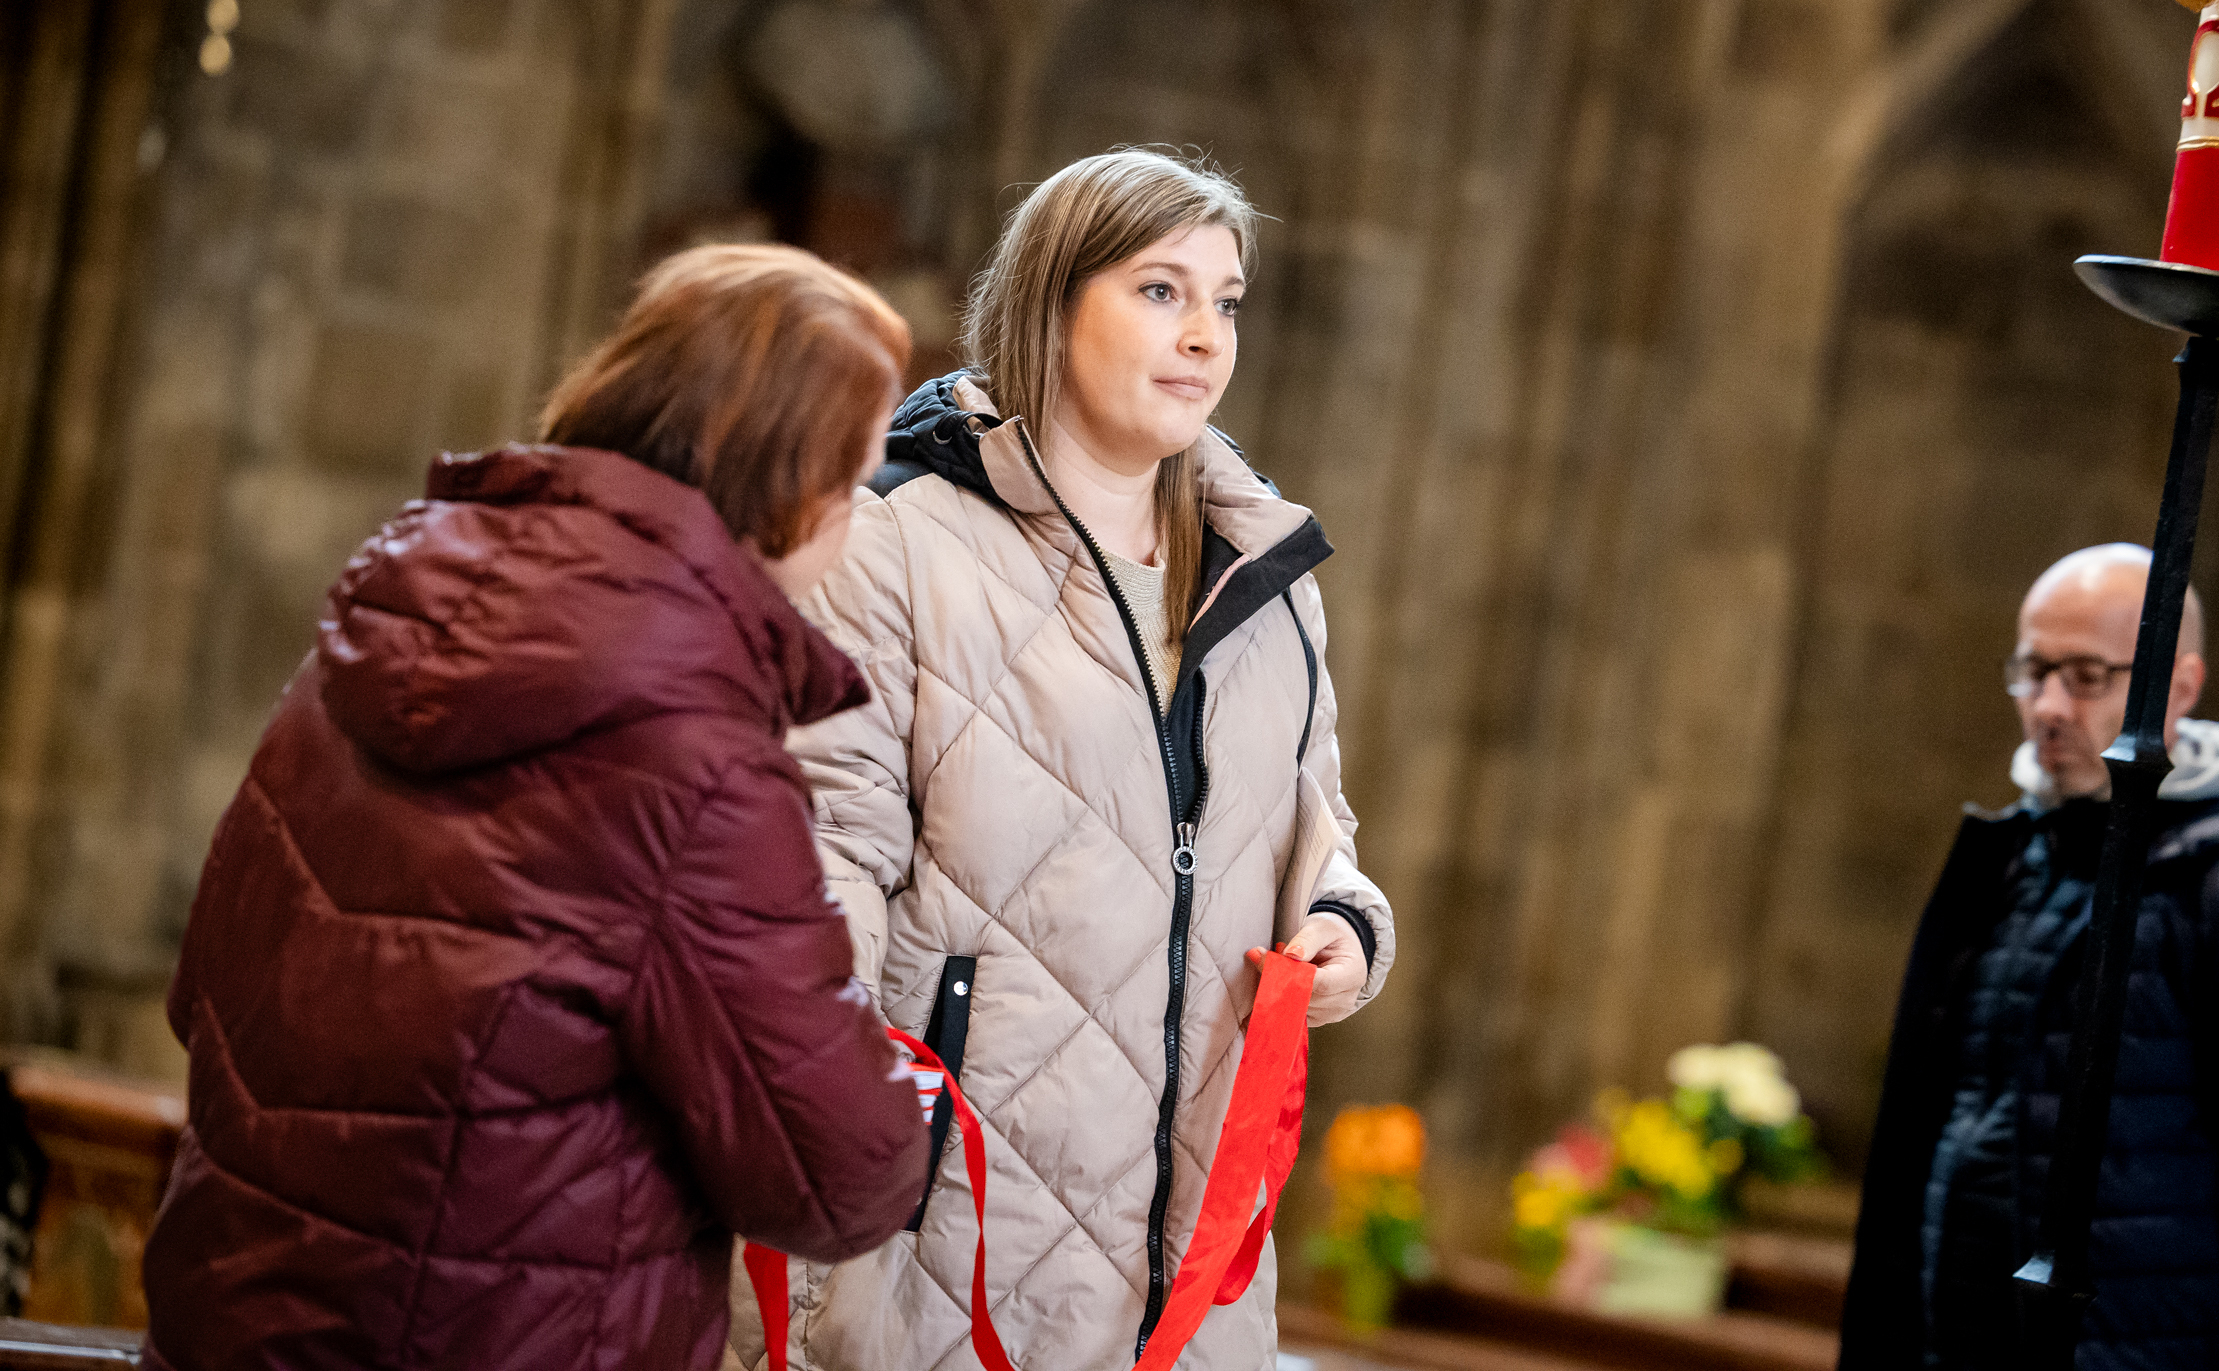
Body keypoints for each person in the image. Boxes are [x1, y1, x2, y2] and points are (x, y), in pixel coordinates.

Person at [141, 246, 930, 1371]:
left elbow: (199, 995)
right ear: (787, 489)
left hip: (229, 1326)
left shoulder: (376, 623)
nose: (849, 520)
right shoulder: (695, 753)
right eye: (849, 484)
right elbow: (839, 1172)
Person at [783, 149, 1395, 1371]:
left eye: (1227, 301)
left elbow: (1310, 820)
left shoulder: (1268, 582)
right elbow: (819, 866)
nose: (1205, 336)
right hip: (944, 1227)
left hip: (1194, 1256)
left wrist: (1341, 917)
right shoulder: (896, 541)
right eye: (1161, 290)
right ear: (1053, 304)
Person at [1839, 544, 2219, 1371]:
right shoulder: (2016, 851)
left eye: (2088, 676)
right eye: (2034, 670)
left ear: (2180, 687)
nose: (2049, 705)